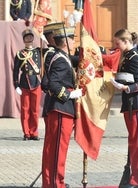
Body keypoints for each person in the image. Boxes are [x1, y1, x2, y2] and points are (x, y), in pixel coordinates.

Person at [41, 26, 82, 188]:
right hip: (60, 109)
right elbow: (52, 84)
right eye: (72, 39)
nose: (74, 42)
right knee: (58, 149)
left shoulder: (61, 56)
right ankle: (56, 183)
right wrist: (70, 95)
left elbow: (77, 60)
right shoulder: (60, 60)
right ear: (65, 41)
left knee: (54, 148)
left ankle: (51, 182)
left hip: (59, 109)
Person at [111, 29, 138, 188]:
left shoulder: (135, 58)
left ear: (126, 41)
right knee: (133, 142)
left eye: (117, 43)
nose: (115, 45)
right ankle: (134, 177)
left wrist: (126, 88)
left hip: (137, 105)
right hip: (130, 105)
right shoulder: (126, 56)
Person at [13, 27, 42, 141]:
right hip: (24, 83)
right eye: (27, 37)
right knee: (25, 110)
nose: (29, 38)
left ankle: (34, 132)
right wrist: (16, 85)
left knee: (35, 110)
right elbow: (15, 70)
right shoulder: (20, 54)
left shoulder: (38, 52)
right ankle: (26, 133)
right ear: (24, 40)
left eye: (31, 37)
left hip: (36, 82)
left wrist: (43, 38)